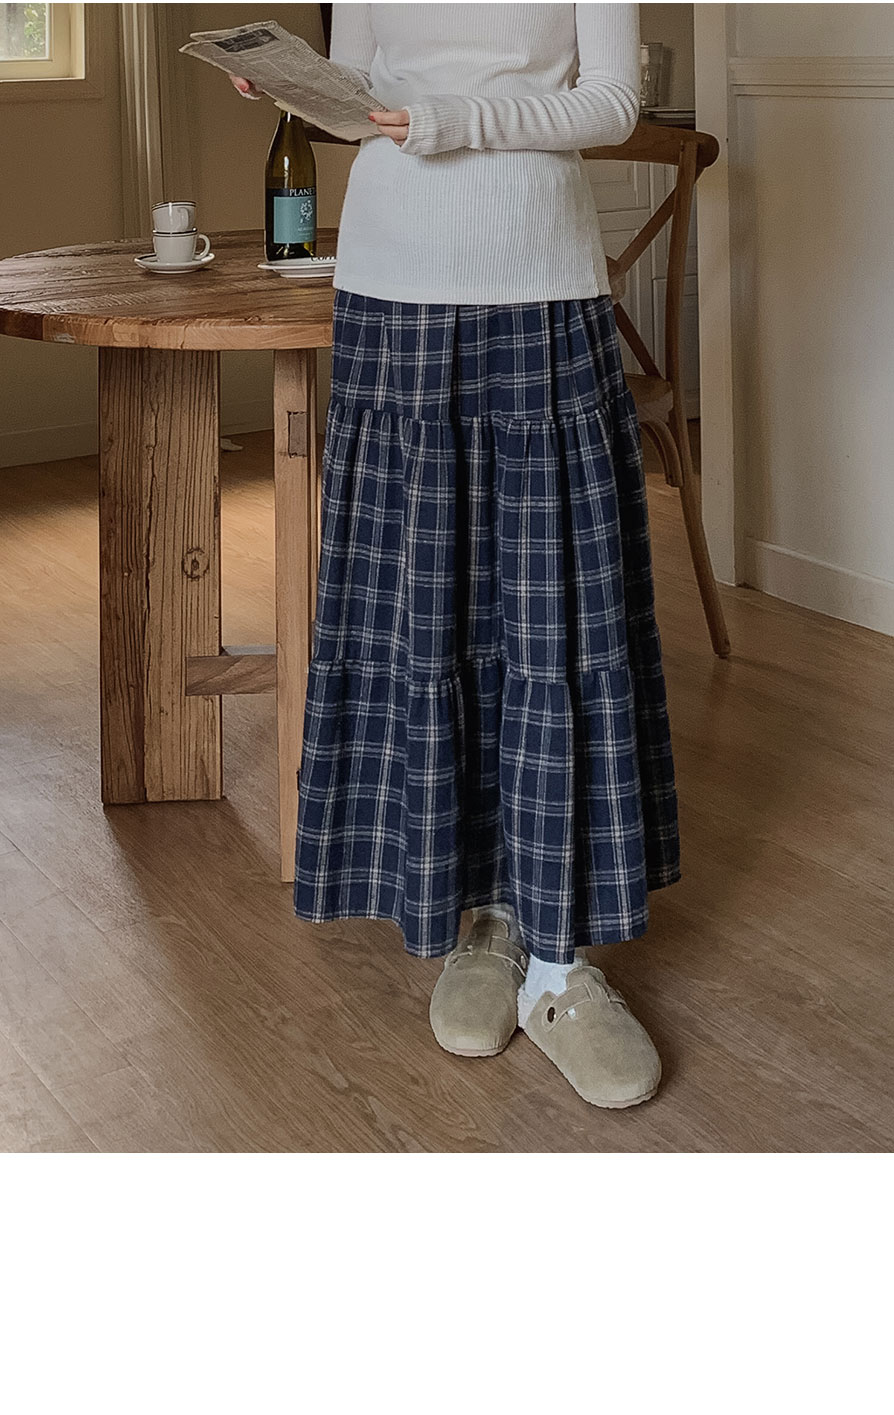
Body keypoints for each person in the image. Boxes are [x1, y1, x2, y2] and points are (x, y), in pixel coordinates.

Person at [231, 3, 680, 1110]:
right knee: (423, 621)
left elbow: (610, 104)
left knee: (555, 622)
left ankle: (560, 959)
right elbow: (362, 100)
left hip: (539, 284)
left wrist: (454, 120)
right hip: (390, 285)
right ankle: (482, 916)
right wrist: (299, 90)